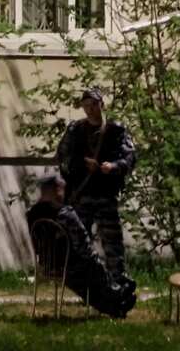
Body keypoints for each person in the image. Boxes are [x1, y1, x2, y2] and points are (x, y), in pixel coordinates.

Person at [26, 173, 137, 318]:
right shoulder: (65, 213)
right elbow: (83, 245)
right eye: (61, 189)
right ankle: (118, 293)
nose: (63, 193)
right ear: (56, 190)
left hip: (48, 265)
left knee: (84, 286)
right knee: (92, 271)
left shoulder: (32, 215)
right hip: (71, 265)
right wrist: (94, 262)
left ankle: (115, 307)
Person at [56, 86, 136, 278]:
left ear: (102, 105)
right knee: (80, 245)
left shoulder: (115, 130)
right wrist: (82, 166)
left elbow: (130, 157)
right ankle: (88, 285)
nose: (90, 109)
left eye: (94, 105)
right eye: (86, 105)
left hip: (105, 195)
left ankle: (118, 284)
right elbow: (62, 157)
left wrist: (112, 167)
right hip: (81, 195)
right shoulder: (75, 130)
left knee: (112, 244)